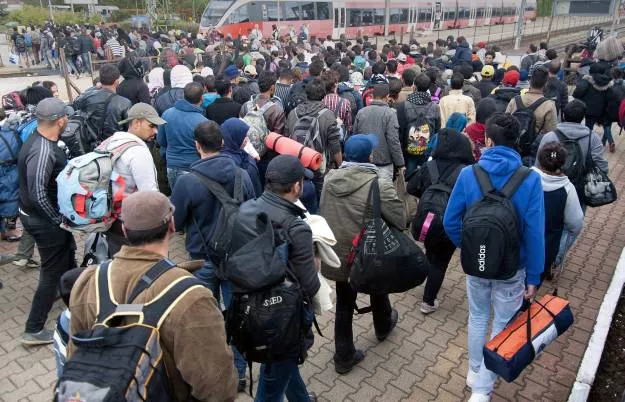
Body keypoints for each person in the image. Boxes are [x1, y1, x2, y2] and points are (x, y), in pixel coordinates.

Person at [69, 191, 238, 400]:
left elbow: (75, 354)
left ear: (125, 230)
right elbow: (217, 388)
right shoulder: (191, 297)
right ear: (172, 226)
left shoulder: (89, 280)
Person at [443, 113, 545, 402]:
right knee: (502, 324)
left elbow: (450, 222)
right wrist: (534, 276)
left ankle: (475, 371)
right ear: (516, 141)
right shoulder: (530, 179)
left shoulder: (469, 174)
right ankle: (483, 388)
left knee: (477, 316)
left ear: (487, 140)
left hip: (477, 265)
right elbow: (535, 233)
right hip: (513, 269)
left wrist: (469, 249)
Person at [170, 121, 255, 392]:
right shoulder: (243, 175)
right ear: (222, 143)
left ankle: (210, 376)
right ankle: (239, 372)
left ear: (197, 146)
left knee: (204, 320)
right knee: (237, 316)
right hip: (236, 258)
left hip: (202, 259)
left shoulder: (187, 181)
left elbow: (176, 222)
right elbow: (252, 214)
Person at [229, 155, 320, 402]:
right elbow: (310, 285)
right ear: (296, 186)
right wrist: (315, 261)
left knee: (282, 367)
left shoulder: (245, 210)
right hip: (281, 319)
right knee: (272, 384)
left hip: (248, 309)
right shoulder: (297, 227)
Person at [320, 134, 405, 374]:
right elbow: (400, 219)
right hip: (368, 253)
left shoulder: (329, 179)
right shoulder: (377, 183)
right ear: (369, 157)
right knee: (377, 286)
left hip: (338, 254)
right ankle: (382, 326)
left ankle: (343, 355)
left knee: (344, 301)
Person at [18, 98, 75, 345]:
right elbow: (37, 194)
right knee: (51, 271)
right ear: (60, 121)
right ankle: (33, 328)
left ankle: (70, 295)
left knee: (67, 253)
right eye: (66, 117)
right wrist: (57, 220)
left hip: (41, 217)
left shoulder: (41, 139)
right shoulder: (42, 150)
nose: (68, 120)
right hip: (44, 221)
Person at [407, 128, 474, 314]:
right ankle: (428, 302)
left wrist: (427, 195)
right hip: (451, 223)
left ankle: (429, 277)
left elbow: (411, 187)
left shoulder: (430, 166)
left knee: (431, 251)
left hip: (427, 221)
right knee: (441, 261)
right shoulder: (467, 171)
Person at [101, 103, 164, 256]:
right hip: (132, 225)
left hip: (110, 219)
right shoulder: (138, 151)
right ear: (136, 123)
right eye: (151, 125)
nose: (155, 131)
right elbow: (149, 195)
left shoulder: (111, 142)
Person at [535, 99, 609, 204]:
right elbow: (601, 166)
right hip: (580, 187)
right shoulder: (592, 138)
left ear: (563, 115)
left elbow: (538, 165)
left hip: (552, 187)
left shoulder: (550, 136)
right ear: (583, 117)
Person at [532, 142, 584, 283]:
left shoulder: (524, 177)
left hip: (518, 243)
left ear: (540, 158)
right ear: (562, 163)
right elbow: (575, 224)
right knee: (533, 286)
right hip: (546, 249)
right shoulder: (568, 189)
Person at [286, 77, 343, 198]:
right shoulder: (328, 115)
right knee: (319, 198)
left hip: (296, 166)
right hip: (318, 167)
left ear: (306, 93)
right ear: (324, 94)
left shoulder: (293, 113)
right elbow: (335, 146)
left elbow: (287, 138)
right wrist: (340, 166)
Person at [158, 82, 209, 190]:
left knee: (177, 198)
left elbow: (161, 140)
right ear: (202, 98)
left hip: (172, 165)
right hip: (194, 167)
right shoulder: (203, 122)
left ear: (183, 95)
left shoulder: (167, 114)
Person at [352, 83, 404, 183]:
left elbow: (355, 137)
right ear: (387, 96)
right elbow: (393, 141)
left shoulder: (361, 112)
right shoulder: (390, 113)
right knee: (383, 191)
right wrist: (400, 163)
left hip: (364, 164)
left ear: (372, 95)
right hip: (384, 164)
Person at [73, 64, 132, 141]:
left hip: (93, 142)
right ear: (117, 82)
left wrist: (94, 87)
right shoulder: (125, 103)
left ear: (100, 80)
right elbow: (130, 128)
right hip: (116, 142)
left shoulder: (89, 97)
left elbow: (76, 101)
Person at [396, 73, 442, 173]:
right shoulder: (435, 107)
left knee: (409, 175)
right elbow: (437, 129)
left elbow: (400, 131)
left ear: (414, 87)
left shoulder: (403, 106)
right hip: (427, 149)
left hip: (409, 149)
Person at [572, 63, 615, 152]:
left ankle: (588, 146)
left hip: (589, 110)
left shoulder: (587, 80)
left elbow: (579, 91)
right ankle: (605, 142)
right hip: (603, 110)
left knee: (589, 128)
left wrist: (576, 97)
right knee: (606, 126)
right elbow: (611, 97)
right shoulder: (608, 83)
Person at [505, 66, 557, 137]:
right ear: (546, 84)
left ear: (530, 81)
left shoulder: (514, 100)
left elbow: (505, 124)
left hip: (513, 142)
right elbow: (551, 133)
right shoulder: (549, 106)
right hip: (537, 143)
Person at [220, 118, 263, 196]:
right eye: (243, 136)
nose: (247, 140)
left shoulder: (235, 150)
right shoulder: (230, 162)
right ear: (234, 137)